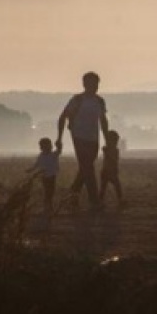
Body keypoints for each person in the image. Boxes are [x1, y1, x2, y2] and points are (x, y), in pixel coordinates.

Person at [56, 71, 108, 211]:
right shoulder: (77, 100)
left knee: (85, 169)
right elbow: (62, 117)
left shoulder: (99, 101)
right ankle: (94, 201)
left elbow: (103, 121)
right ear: (84, 84)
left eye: (96, 84)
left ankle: (72, 195)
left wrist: (107, 139)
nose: (94, 86)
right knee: (88, 169)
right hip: (79, 137)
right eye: (91, 83)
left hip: (93, 139)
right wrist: (59, 138)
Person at [26, 137, 61, 216]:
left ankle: (48, 208)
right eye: (43, 146)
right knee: (47, 193)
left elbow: (59, 150)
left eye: (47, 146)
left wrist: (59, 142)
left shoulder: (53, 154)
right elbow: (36, 164)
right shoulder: (41, 156)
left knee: (50, 193)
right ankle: (47, 208)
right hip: (44, 177)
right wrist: (30, 170)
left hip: (52, 176)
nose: (44, 148)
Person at [98, 130, 124, 208]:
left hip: (110, 171)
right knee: (104, 187)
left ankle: (120, 200)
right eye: (115, 140)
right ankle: (100, 201)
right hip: (107, 171)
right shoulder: (109, 149)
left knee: (115, 186)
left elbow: (115, 160)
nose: (116, 143)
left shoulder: (114, 150)